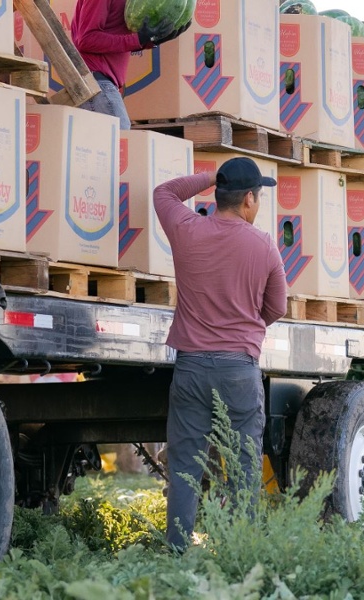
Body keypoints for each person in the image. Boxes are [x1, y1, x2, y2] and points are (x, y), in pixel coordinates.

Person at [152, 157, 286, 551]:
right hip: (238, 373)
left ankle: (177, 549)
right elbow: (276, 307)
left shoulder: (187, 229)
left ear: (218, 193)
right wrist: (245, 317)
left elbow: (164, 193)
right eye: (258, 198)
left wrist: (212, 176)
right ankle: (239, 548)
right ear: (248, 199)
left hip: (191, 368)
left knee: (184, 465)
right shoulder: (263, 245)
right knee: (244, 465)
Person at [70, 0, 191, 128]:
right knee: (122, 141)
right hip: (95, 83)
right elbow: (86, 40)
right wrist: (138, 39)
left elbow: (118, 40)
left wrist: (152, 40)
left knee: (120, 142)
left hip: (102, 83)